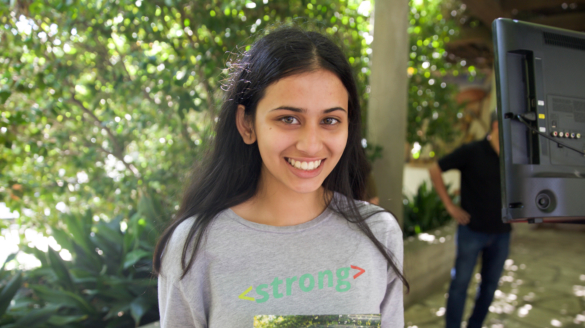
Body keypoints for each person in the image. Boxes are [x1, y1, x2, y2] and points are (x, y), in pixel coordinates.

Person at [153, 27, 408, 327]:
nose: (311, 144)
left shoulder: (378, 233)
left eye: (330, 120)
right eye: (288, 119)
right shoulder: (193, 248)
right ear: (247, 124)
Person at [428, 111, 511, 328]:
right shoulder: (472, 151)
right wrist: (449, 205)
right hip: (471, 232)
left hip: (502, 234)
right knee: (460, 285)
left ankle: (475, 325)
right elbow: (434, 168)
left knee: (490, 286)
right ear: (495, 126)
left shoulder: (514, 156)